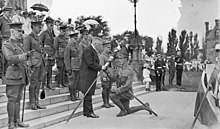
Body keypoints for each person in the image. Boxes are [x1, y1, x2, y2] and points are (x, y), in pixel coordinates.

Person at [2, 22, 30, 129]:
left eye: (21, 31)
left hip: (21, 74)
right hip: (13, 75)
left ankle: (17, 120)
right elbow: (10, 58)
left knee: (18, 99)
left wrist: (27, 62)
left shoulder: (19, 44)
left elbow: (22, 58)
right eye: (18, 31)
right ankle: (11, 123)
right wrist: (25, 56)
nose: (20, 33)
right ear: (12, 31)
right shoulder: (6, 44)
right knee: (12, 99)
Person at [109, 52, 151, 117]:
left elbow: (128, 85)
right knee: (129, 111)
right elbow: (114, 79)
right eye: (118, 58)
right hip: (122, 93)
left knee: (112, 96)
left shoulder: (130, 71)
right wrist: (106, 71)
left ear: (126, 59)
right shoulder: (119, 69)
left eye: (121, 58)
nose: (119, 60)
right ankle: (144, 106)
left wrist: (116, 90)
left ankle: (123, 110)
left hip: (126, 92)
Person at [78, 37, 106, 118]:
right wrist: (101, 67)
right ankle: (89, 111)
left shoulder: (91, 50)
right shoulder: (88, 50)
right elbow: (90, 63)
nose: (100, 46)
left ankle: (87, 111)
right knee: (88, 93)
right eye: (100, 44)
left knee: (88, 94)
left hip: (90, 74)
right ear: (95, 43)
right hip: (87, 75)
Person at [23, 21, 47, 110]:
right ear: (33, 27)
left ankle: (37, 102)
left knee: (39, 82)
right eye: (38, 27)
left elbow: (40, 49)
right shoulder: (28, 37)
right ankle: (32, 102)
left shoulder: (38, 37)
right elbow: (26, 51)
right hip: (34, 63)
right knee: (33, 83)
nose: (40, 28)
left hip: (40, 62)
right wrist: (28, 63)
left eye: (40, 27)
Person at [40, 16, 56, 90]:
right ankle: (42, 85)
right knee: (44, 71)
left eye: (52, 25)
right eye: (50, 25)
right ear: (47, 25)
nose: (52, 27)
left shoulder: (52, 34)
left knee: (50, 70)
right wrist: (43, 53)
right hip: (45, 55)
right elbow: (40, 44)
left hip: (51, 54)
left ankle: (49, 84)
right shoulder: (44, 33)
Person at [64, 32, 80, 101]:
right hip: (72, 67)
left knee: (76, 82)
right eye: (74, 39)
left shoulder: (76, 47)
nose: (76, 40)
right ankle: (72, 95)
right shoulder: (68, 47)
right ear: (71, 39)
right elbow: (66, 58)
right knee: (71, 82)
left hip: (77, 66)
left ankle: (75, 95)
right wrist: (68, 68)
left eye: (76, 39)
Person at [99, 41, 115, 108]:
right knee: (105, 89)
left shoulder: (109, 56)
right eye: (108, 48)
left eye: (110, 48)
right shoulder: (102, 56)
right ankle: (105, 102)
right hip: (105, 74)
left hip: (110, 75)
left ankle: (108, 102)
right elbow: (101, 67)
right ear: (104, 48)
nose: (109, 49)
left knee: (109, 89)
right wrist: (103, 76)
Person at [0, 7, 14, 80]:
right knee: (3, 57)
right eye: (9, 12)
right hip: (3, 39)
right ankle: (2, 74)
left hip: (9, 39)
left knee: (9, 57)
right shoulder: (1, 19)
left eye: (10, 12)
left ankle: (7, 72)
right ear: (5, 12)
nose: (10, 14)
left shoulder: (10, 20)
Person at [208, 44, 220, 108]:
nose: (218, 52)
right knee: (216, 93)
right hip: (218, 80)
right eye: (217, 51)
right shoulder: (217, 59)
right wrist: (210, 82)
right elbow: (215, 72)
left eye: (219, 51)